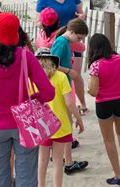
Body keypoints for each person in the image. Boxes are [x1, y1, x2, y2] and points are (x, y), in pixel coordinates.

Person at [0, 12, 55, 187]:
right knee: (27, 178)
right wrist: (33, 98)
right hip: (23, 124)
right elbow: (49, 93)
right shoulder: (26, 56)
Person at [36, 0, 88, 114]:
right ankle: (65, 105)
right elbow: (38, 22)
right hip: (57, 41)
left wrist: (82, 16)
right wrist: (53, 27)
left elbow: (80, 13)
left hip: (74, 38)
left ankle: (82, 104)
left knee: (76, 74)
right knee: (61, 73)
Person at [35, 47, 84, 187]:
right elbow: (69, 103)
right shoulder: (60, 76)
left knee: (42, 160)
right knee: (57, 161)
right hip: (60, 124)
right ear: (52, 61)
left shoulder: (32, 79)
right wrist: (78, 119)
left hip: (42, 125)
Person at [87, 33, 120, 186]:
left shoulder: (96, 65)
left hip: (104, 103)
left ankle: (117, 175)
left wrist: (88, 89)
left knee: (108, 139)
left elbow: (93, 92)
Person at [50, 18, 89, 174]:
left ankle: (68, 160)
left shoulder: (65, 42)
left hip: (64, 85)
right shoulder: (61, 42)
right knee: (66, 123)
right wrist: (69, 71)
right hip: (60, 87)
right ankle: (67, 161)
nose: (78, 41)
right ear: (71, 32)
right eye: (78, 38)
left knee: (67, 123)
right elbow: (51, 64)